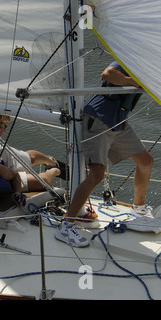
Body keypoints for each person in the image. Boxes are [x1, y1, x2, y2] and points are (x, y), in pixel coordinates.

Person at [55, 61, 153, 248]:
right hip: (98, 119)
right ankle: (66, 225)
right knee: (97, 174)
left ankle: (139, 208)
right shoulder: (127, 59)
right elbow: (107, 73)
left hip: (118, 122)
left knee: (146, 162)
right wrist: (134, 82)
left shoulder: (149, 66)